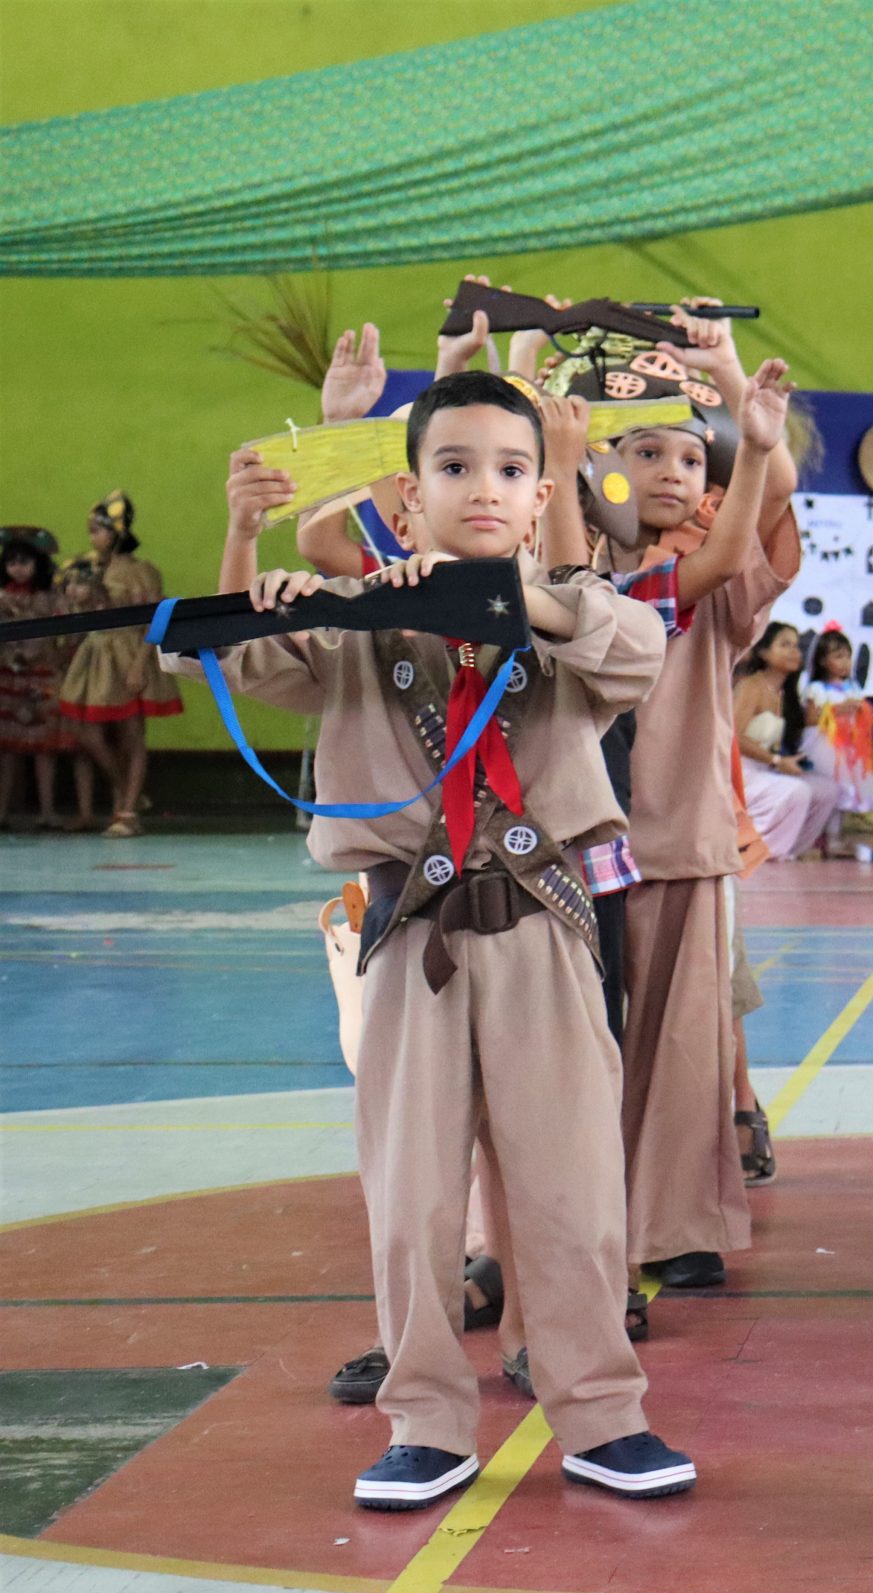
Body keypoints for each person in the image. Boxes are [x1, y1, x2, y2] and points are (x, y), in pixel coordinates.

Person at [199, 374, 691, 1510]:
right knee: (412, 1194)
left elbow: (630, 652)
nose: (485, 489)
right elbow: (247, 661)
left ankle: (603, 1415)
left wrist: (525, 593)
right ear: (405, 500)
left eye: (512, 471)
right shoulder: (359, 619)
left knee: (570, 1189)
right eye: (455, 467)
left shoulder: (573, 609)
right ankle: (425, 1421)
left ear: (541, 497)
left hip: (546, 937)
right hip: (412, 936)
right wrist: (250, 552)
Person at [545, 312, 799, 1297]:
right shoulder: (554, 565)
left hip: (679, 841)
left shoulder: (701, 575)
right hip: (564, 846)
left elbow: (761, 512)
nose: (669, 475)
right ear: (590, 463)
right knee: (567, 1048)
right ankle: (551, 1228)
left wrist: (734, 384)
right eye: (642, 451)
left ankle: (675, 1222)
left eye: (690, 459)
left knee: (684, 1049)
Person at [56, 492, 182, 837]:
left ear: (116, 532)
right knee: (86, 730)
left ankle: (127, 811)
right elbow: (77, 610)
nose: (92, 537)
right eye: (91, 530)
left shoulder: (143, 572)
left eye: (98, 530)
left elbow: (154, 621)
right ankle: (131, 789)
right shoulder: (86, 566)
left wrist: (141, 663)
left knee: (132, 733)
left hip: (129, 649)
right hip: (94, 651)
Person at [735, 622, 833, 861]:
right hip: (739, 771)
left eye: (796, 646)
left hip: (767, 769)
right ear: (763, 652)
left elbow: (791, 743)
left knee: (827, 791)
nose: (794, 651)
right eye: (785, 644)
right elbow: (734, 737)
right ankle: (759, 852)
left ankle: (791, 849)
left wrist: (811, 723)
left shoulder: (786, 694)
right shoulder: (751, 686)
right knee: (797, 791)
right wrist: (777, 760)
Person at [0, 527, 72, 829]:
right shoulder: (0, 597)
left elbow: (69, 632)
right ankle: (2, 811)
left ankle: (47, 811)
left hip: (42, 678)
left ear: (38, 564)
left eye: (25, 562)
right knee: (7, 752)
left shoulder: (49, 598)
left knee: (45, 751)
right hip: (6, 679)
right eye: (12, 561)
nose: (18, 568)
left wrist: (57, 660)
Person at [799, 629, 873, 823]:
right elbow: (810, 719)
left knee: (847, 792)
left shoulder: (853, 689)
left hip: (850, 750)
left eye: (848, 656)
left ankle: (836, 836)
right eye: (839, 656)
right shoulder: (817, 689)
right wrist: (838, 710)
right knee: (830, 788)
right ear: (822, 661)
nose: (845, 662)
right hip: (826, 748)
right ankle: (820, 835)